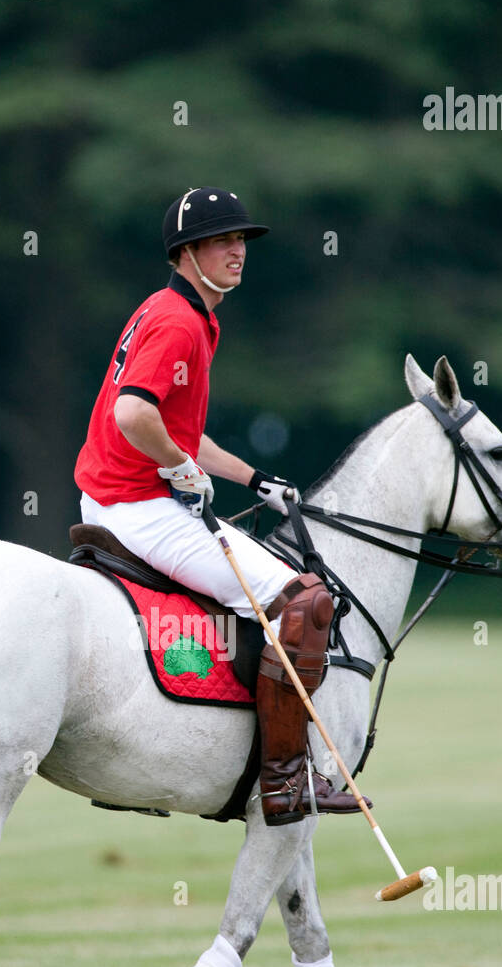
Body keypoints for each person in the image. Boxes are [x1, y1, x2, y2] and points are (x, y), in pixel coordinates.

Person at [74, 187, 364, 825]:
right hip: (137, 505)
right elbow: (133, 414)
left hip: (120, 494)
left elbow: (179, 427)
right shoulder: (179, 322)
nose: (237, 251)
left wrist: (253, 477)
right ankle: (286, 779)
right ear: (186, 253)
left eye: (241, 241)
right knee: (303, 602)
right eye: (221, 241)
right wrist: (178, 469)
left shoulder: (181, 311)